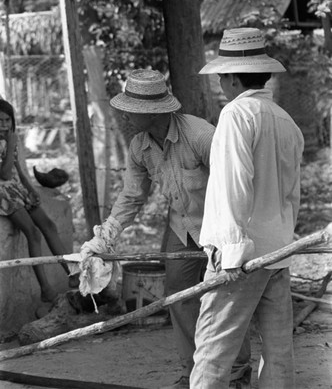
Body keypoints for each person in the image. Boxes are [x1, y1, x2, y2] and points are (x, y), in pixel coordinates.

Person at [78, 69, 250, 389]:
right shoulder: (139, 147)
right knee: (179, 296)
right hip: (182, 227)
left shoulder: (200, 135)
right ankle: (193, 372)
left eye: (132, 108)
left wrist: (231, 238)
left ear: (152, 111)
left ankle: (237, 372)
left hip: (221, 226)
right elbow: (132, 197)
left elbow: (234, 182)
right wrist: (105, 236)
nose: (125, 113)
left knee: (226, 296)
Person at [190, 27, 305, 389]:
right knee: (278, 354)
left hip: (241, 255)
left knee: (213, 351)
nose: (221, 84)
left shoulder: (237, 114)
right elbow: (291, 197)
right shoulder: (286, 121)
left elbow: (232, 185)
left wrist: (231, 252)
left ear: (231, 78)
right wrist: (283, 241)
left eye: (223, 76)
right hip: (278, 252)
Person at [0, 99, 77, 303]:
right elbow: (5, 174)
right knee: (33, 234)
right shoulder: (7, 141)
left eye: (7, 120)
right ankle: (45, 289)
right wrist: (10, 145)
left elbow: (17, 171)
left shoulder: (9, 138)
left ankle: (73, 274)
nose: (4, 125)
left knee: (49, 226)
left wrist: (30, 189)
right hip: (3, 194)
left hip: (17, 189)